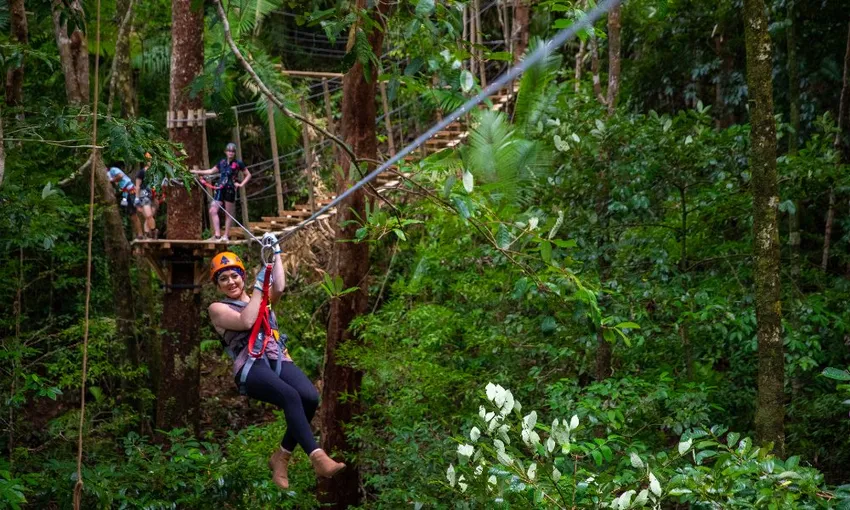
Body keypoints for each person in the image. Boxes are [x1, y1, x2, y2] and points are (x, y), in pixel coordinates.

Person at [207, 237, 344, 489]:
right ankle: (317, 457)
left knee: (309, 398)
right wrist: (260, 287)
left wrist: (276, 253)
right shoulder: (217, 308)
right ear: (218, 285)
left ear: (243, 276)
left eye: (234, 276)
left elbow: (279, 287)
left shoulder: (261, 298)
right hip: (250, 367)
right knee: (290, 396)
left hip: (276, 357)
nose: (230, 282)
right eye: (223, 279)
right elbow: (247, 321)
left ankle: (281, 457)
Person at [191, 143, 251, 242]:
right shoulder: (222, 162)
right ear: (226, 152)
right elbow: (211, 171)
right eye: (229, 151)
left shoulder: (238, 163)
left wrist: (241, 184)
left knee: (228, 213)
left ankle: (225, 236)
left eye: (232, 151)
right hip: (220, 188)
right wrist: (197, 172)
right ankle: (217, 235)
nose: (230, 153)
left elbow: (248, 174)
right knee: (213, 210)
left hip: (230, 189)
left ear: (234, 153)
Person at [106, 165, 144, 240]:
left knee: (139, 209)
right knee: (133, 215)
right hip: (126, 194)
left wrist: (112, 180)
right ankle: (140, 234)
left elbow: (120, 175)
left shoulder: (113, 170)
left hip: (131, 190)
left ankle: (148, 228)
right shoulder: (108, 176)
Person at [134, 153, 158, 239]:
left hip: (154, 195)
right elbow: (137, 186)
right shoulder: (141, 172)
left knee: (149, 217)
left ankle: (147, 234)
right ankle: (154, 231)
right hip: (144, 196)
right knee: (148, 215)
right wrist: (136, 199)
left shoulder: (156, 172)